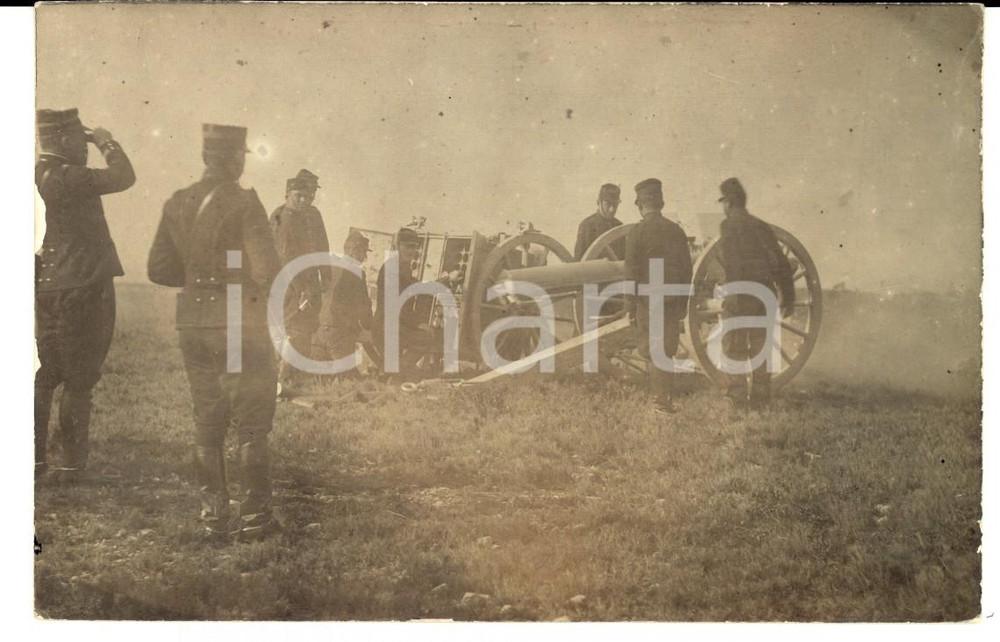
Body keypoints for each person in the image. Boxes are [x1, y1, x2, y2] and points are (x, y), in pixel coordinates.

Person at [147, 123, 281, 541]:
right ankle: (256, 517)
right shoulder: (245, 204)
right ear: (234, 158)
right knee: (252, 422)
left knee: (208, 421)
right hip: (238, 324)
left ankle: (212, 517)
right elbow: (267, 271)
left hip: (194, 324)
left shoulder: (177, 203)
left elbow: (159, 269)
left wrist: (201, 278)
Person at [34, 108, 136, 481]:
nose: (85, 146)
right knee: (79, 378)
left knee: (45, 375)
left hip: (47, 287)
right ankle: (71, 465)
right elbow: (124, 177)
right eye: (80, 139)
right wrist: (107, 141)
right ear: (63, 140)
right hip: (83, 288)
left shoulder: (32, 176)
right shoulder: (68, 176)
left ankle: (33, 461)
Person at [716, 177, 796, 410]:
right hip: (766, 293)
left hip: (742, 293)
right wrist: (788, 295)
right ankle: (761, 398)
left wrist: (731, 293)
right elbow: (781, 263)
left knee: (735, 347)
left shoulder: (728, 225)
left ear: (729, 203)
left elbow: (731, 264)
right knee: (762, 346)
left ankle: (738, 399)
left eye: (723, 202)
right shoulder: (762, 226)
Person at [624, 178, 692, 415]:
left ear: (640, 205)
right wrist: (682, 304)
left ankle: (660, 403)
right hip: (671, 300)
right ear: (661, 203)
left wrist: (630, 306)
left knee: (653, 351)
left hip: (648, 300)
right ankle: (665, 400)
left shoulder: (637, 233)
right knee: (667, 348)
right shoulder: (676, 231)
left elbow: (630, 273)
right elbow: (686, 271)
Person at [269, 169, 330, 396]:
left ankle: (294, 379)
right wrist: (301, 288)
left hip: (309, 282)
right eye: (304, 192)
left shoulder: (313, 215)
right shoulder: (281, 216)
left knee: (306, 328)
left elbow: (322, 246)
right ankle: (280, 381)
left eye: (312, 192)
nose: (309, 197)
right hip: (288, 285)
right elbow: (284, 258)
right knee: (292, 330)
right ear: (291, 192)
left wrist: (326, 276)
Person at [373, 227, 460, 382]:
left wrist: (445, 279)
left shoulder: (400, 266)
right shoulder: (394, 268)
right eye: (408, 246)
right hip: (387, 327)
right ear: (398, 245)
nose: (412, 251)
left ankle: (390, 371)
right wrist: (418, 324)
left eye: (415, 247)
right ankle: (397, 373)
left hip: (390, 324)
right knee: (426, 336)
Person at [311, 230, 374, 377]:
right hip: (340, 335)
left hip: (319, 332)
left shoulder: (329, 268)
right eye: (363, 252)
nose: (364, 257)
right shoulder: (357, 273)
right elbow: (363, 307)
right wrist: (369, 327)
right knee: (351, 382)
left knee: (319, 380)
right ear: (353, 250)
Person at [574, 183, 625, 260]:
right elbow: (578, 262)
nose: (612, 209)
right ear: (599, 202)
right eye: (608, 204)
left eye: (615, 205)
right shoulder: (587, 226)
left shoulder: (619, 226)